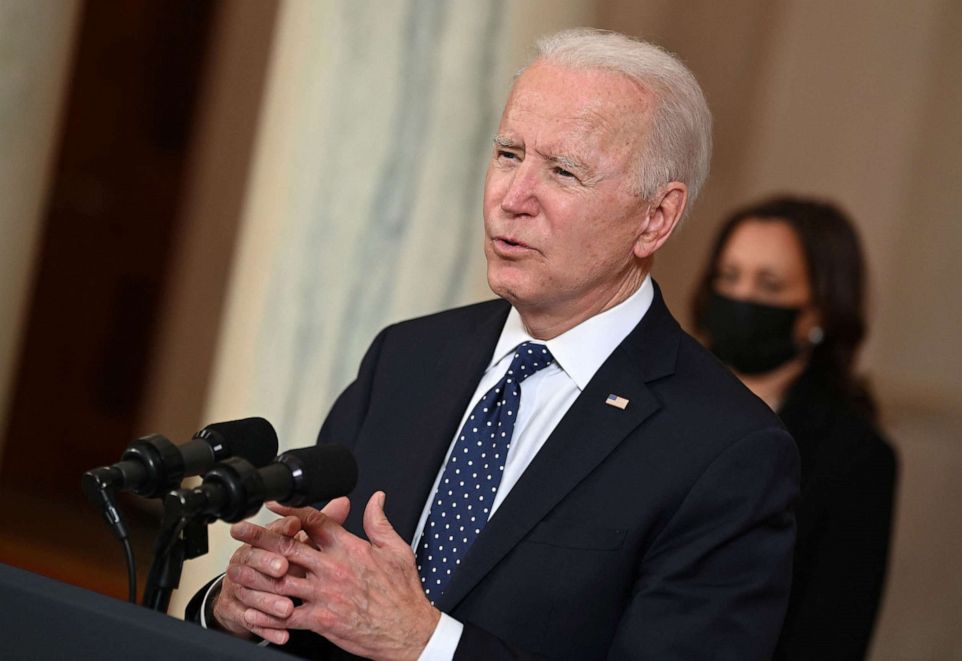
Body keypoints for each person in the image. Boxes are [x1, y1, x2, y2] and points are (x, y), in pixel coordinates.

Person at [187, 29, 800, 660]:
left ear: (655, 218)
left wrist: (427, 643)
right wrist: (233, 607)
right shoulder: (407, 358)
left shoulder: (726, 450)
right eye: (509, 154)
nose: (512, 199)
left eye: (563, 171)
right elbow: (310, 574)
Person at [691, 196, 898, 660]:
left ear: (817, 312)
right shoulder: (663, 399)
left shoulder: (854, 455)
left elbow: (832, 631)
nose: (742, 298)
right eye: (729, 276)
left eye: (769, 285)